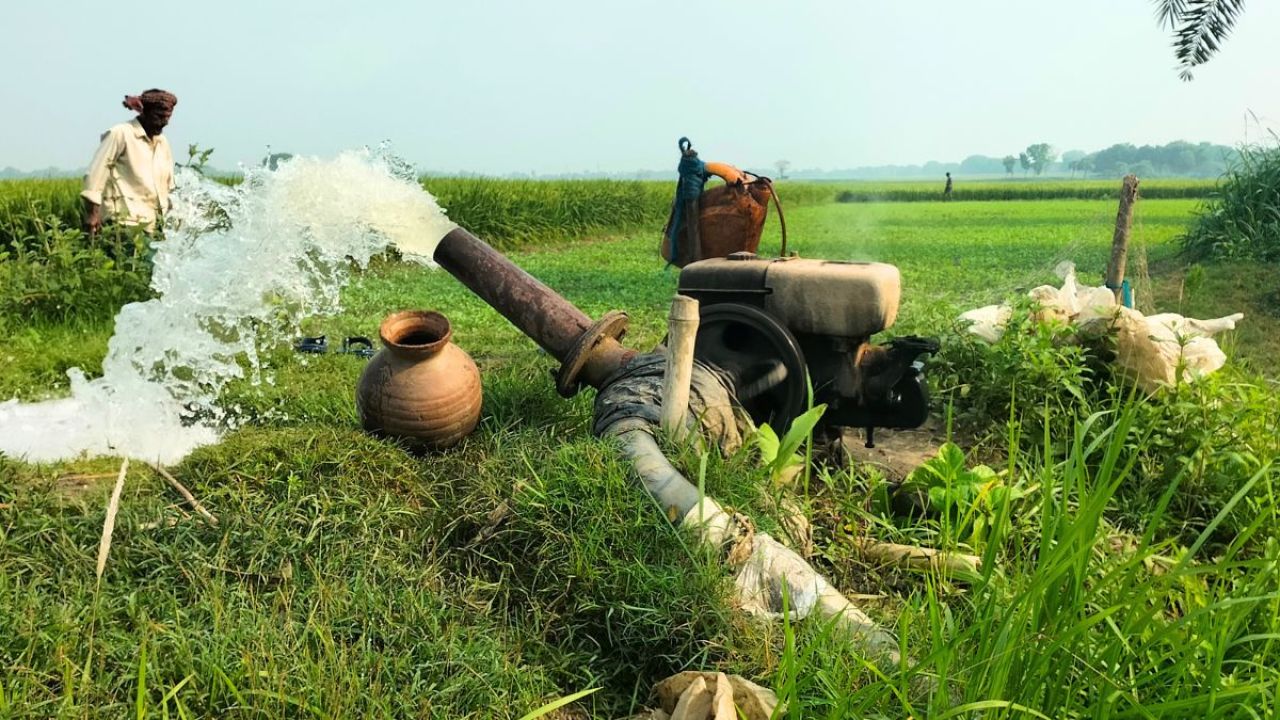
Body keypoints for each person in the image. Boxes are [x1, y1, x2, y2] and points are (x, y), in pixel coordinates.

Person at [82, 89, 178, 234]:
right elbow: (96, 174)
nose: (164, 123)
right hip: (122, 223)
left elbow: (168, 186)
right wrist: (92, 214)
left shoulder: (162, 142)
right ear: (143, 112)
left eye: (167, 117)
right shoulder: (121, 134)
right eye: (158, 116)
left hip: (154, 226)